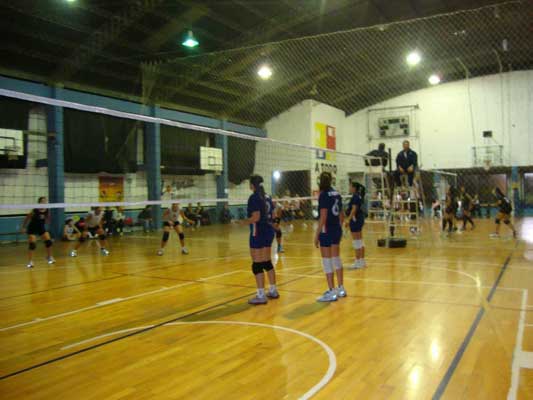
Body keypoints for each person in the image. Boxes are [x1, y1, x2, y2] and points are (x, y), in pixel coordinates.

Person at [246, 175, 278, 305]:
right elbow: (275, 214)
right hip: (268, 231)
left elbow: (256, 217)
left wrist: (240, 222)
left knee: (257, 264)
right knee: (267, 262)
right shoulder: (267, 197)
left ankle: (261, 295)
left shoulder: (254, 197)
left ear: (252, 185)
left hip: (257, 232)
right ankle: (273, 290)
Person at [315, 172, 345, 302]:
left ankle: (331, 291)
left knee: (326, 260)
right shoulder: (336, 193)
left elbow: (323, 216)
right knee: (336, 258)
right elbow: (342, 214)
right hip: (336, 229)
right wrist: (339, 227)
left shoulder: (323, 195)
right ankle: (341, 288)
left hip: (326, 230)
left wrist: (316, 234)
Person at [21, 197, 55, 268]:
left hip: (41, 228)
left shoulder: (47, 210)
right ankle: (30, 262)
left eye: (45, 201)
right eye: (43, 201)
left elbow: (47, 220)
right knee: (32, 245)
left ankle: (49, 257)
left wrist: (48, 218)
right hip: (32, 228)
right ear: (39, 203)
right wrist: (23, 227)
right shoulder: (35, 210)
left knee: (48, 242)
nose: (44, 202)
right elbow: (27, 218)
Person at [346, 182, 366, 269]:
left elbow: (354, 209)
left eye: (350, 186)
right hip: (359, 219)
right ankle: (362, 261)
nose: (349, 188)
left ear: (354, 188)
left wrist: (348, 219)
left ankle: (357, 262)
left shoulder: (355, 197)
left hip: (355, 220)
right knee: (360, 240)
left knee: (356, 241)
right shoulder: (359, 196)